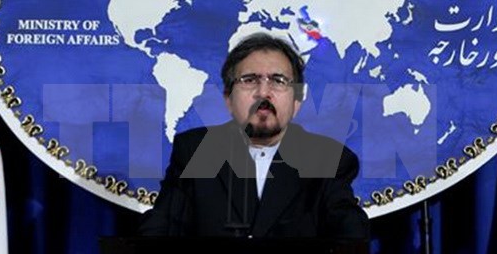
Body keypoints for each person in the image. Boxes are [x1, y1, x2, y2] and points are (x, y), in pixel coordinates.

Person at [138, 32, 370, 242]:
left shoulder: (328, 160)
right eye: (249, 80)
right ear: (228, 98)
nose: (263, 92)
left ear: (297, 101)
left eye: (278, 81)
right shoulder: (194, 151)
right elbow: (158, 235)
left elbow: (351, 243)